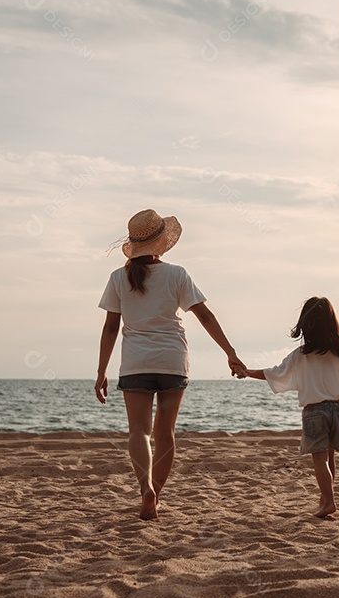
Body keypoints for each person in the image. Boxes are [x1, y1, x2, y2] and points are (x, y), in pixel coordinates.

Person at [95, 209, 245, 520]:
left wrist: (101, 371)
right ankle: (156, 495)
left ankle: (145, 487)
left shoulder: (118, 278)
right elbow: (205, 316)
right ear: (162, 242)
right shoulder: (177, 274)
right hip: (172, 360)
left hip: (136, 362)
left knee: (138, 431)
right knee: (166, 434)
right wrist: (230, 352)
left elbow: (111, 328)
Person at [237, 297, 339, 517]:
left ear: (305, 325)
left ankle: (329, 501)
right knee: (330, 456)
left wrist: (247, 371)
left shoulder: (301, 355)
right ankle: (325, 497)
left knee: (319, 458)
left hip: (315, 411)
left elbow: (273, 373)